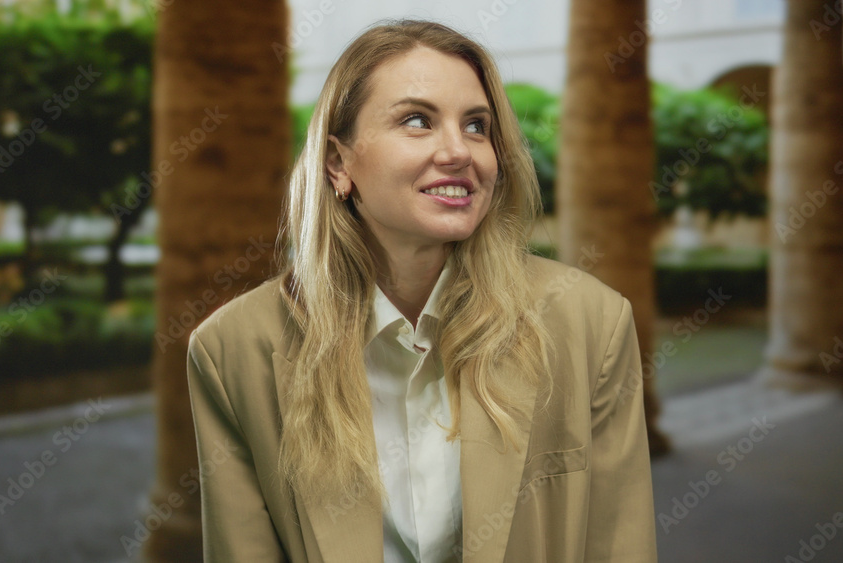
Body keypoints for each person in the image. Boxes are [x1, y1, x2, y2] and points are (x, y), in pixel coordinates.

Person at [186, 19, 657, 563]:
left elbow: (619, 543)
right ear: (339, 164)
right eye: (417, 121)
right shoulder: (231, 351)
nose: (460, 151)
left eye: (477, 126)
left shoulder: (591, 322)